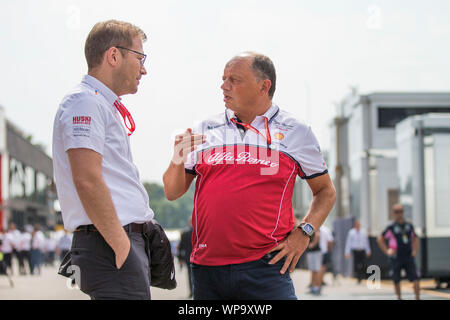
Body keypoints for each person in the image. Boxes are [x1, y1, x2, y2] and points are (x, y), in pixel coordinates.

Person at [163, 52, 336, 300]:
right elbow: (171, 192)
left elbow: (326, 192)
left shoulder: (296, 131)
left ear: (264, 86)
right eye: (223, 79)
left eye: (234, 79)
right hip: (207, 268)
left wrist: (305, 232)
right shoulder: (204, 128)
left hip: (266, 267)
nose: (224, 86)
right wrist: (177, 157)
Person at [52, 19, 154, 300]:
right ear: (113, 55)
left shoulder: (98, 103)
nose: (144, 69)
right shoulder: (85, 102)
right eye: (140, 57)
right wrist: (122, 246)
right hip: (109, 242)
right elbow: (86, 179)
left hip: (112, 241)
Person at [377, 204, 420, 300]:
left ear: (403, 212)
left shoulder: (409, 225)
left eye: (400, 211)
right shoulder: (391, 227)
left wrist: (415, 251)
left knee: (415, 277)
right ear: (393, 213)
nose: (399, 214)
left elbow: (415, 238)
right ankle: (399, 297)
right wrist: (387, 251)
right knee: (396, 279)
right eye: (396, 212)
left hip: (408, 255)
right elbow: (380, 239)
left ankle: (417, 297)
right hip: (396, 256)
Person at [345, 219, 371, 284]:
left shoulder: (363, 232)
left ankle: (362, 277)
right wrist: (347, 252)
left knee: (362, 264)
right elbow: (348, 242)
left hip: (362, 250)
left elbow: (366, 242)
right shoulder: (351, 232)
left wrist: (368, 250)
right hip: (355, 250)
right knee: (356, 264)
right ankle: (358, 277)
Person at [177, 219, 193, 298]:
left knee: (190, 275)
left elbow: (180, 247)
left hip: (188, 257)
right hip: (198, 256)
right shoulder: (199, 231)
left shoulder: (184, 233)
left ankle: (191, 291)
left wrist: (179, 258)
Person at [306, 230, 322, 295]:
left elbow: (318, 235)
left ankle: (317, 287)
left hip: (316, 252)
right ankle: (313, 287)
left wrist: (312, 245)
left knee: (317, 270)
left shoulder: (316, 226)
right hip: (312, 252)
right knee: (313, 270)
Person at [318, 225, 334, 289]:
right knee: (323, 266)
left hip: (316, 251)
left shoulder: (316, 228)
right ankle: (320, 281)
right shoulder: (326, 229)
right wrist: (329, 249)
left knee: (317, 267)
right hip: (324, 250)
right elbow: (330, 241)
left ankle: (317, 281)